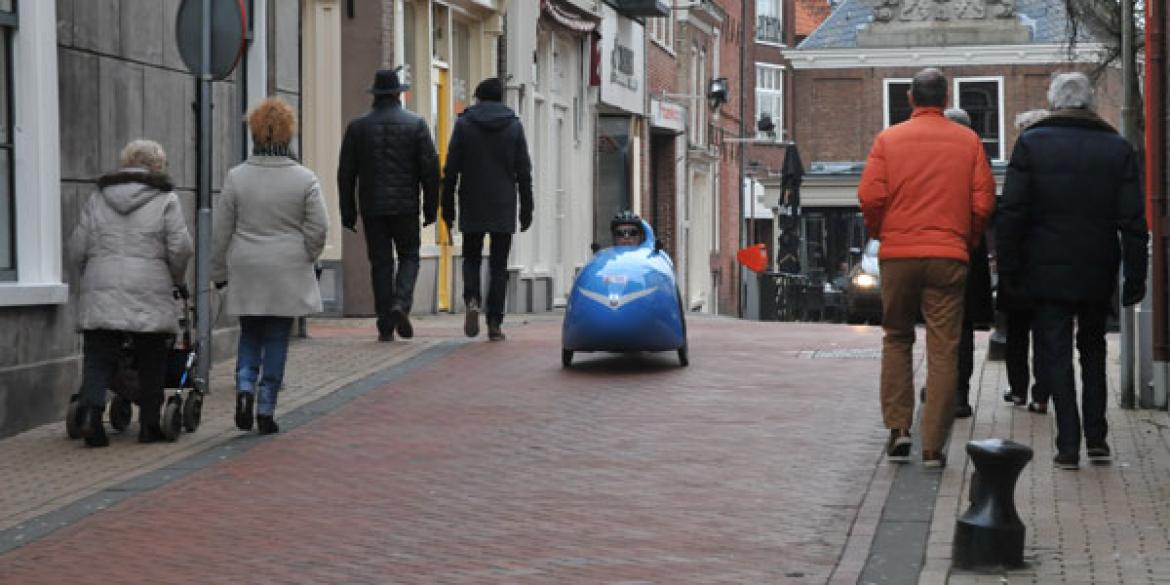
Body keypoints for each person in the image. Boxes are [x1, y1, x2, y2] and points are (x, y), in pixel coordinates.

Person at [997, 73, 1147, 469]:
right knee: (1093, 347)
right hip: (1098, 264)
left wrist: (1009, 269)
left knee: (1055, 351)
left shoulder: (1031, 144)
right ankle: (1097, 438)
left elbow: (1012, 212)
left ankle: (1068, 443)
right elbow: (1133, 219)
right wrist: (1136, 274)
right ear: (1090, 101)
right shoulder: (1117, 148)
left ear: (1052, 101)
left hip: (1045, 267)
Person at [858, 68, 996, 467]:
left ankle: (899, 430)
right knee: (943, 347)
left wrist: (884, 232)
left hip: (899, 254)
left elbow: (870, 196)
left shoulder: (888, 140)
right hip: (948, 255)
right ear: (945, 96)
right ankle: (934, 446)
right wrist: (964, 239)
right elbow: (983, 203)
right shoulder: (968, 142)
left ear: (909, 98)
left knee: (897, 337)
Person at [212, 97, 329, 435]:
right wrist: (307, 254)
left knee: (250, 333)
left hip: (247, 265)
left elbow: (222, 231)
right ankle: (266, 406)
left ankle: (244, 386)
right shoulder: (304, 179)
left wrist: (218, 273)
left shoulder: (237, 178)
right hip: (287, 267)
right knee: (277, 336)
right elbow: (318, 228)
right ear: (288, 135)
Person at [69, 140, 193, 447]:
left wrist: (92, 273)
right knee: (152, 355)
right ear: (157, 166)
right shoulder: (166, 199)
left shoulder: (98, 197)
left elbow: (77, 247)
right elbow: (180, 249)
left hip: (102, 285)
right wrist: (177, 279)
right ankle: (149, 425)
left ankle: (90, 416)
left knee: (98, 354)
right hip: (148, 288)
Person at [339, 68, 440, 342]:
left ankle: (385, 324)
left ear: (375, 95)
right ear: (398, 94)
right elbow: (430, 171)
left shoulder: (358, 127)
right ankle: (401, 303)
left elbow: (346, 172)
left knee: (380, 263)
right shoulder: (416, 125)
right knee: (409, 255)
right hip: (406, 206)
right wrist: (431, 208)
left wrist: (347, 212)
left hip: (372, 208)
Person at [441, 77, 533, 341]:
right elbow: (523, 172)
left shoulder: (464, 124)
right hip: (503, 202)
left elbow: (451, 170)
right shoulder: (514, 126)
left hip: (471, 200)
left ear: (478, 98)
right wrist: (527, 207)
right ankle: (495, 322)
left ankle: (471, 298)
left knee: (470, 257)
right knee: (498, 265)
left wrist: (447, 207)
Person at [943, 107, 994, 420]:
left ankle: (942, 387)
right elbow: (984, 203)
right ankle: (959, 390)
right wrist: (972, 237)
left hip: (936, 246)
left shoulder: (936, 157)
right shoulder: (977, 154)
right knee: (962, 327)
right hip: (966, 249)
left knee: (940, 323)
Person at [999, 109, 1051, 412]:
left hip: (1020, 261)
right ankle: (1041, 394)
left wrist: (1006, 263)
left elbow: (1011, 214)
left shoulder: (1020, 166)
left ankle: (1018, 390)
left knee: (1016, 332)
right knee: (1046, 332)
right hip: (1048, 261)